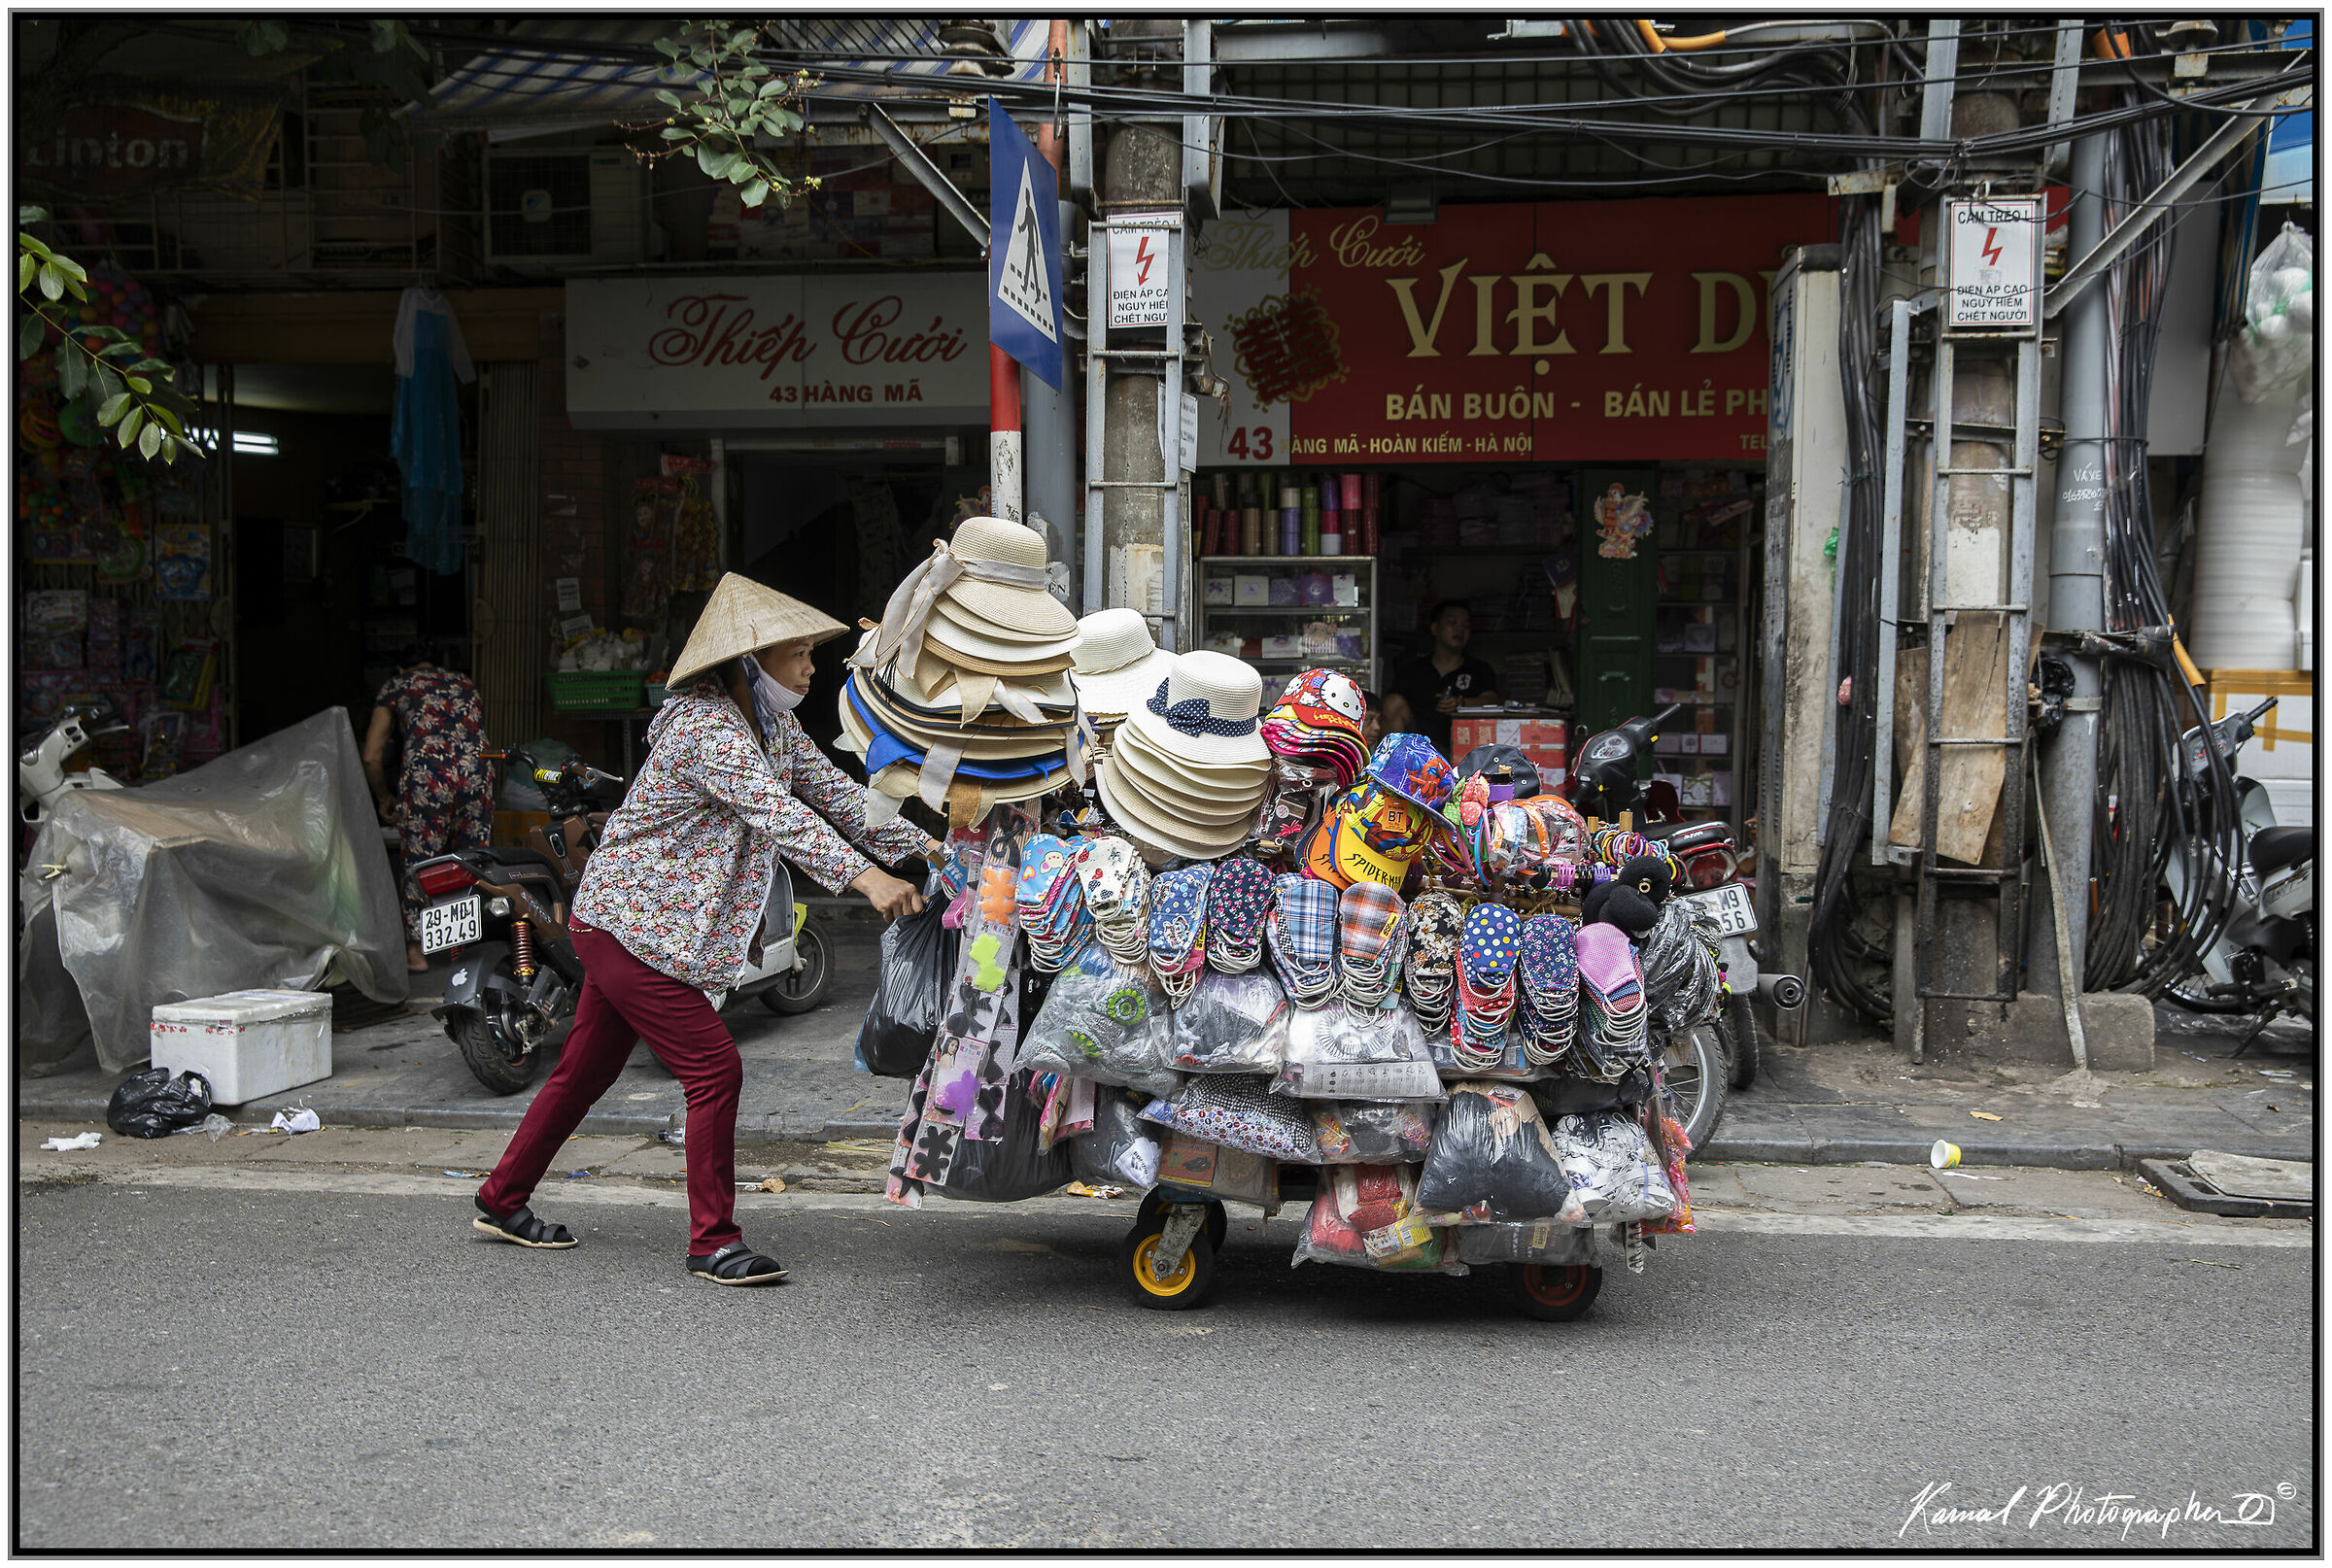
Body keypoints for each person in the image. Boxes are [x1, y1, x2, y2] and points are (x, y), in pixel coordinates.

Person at [472, 574, 942, 1288]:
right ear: (750, 661)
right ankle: (712, 1242)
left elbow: (838, 794)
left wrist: (925, 845)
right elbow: (777, 816)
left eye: (813, 653)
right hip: (630, 925)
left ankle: (501, 1200)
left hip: (647, 928)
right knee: (714, 1067)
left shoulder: (771, 725)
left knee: (584, 1073)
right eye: (800, 655)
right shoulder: (703, 727)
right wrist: (868, 879)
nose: (812, 668)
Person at [363, 641, 494, 974]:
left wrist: (382, 797)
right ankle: (470, 947)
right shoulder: (463, 682)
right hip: (476, 772)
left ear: (402, 669)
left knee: (421, 861)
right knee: (472, 860)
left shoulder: (397, 685)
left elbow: (372, 756)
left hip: (428, 777)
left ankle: (416, 951)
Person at [1384, 600, 1500, 757]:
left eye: (1466, 625)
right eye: (1452, 622)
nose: (1460, 629)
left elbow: (1491, 701)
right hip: (1416, 749)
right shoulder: (1413, 669)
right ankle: (1394, 769)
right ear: (1435, 628)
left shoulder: (1480, 670)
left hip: (1464, 749)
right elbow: (1392, 708)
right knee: (1392, 703)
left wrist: (1461, 703)